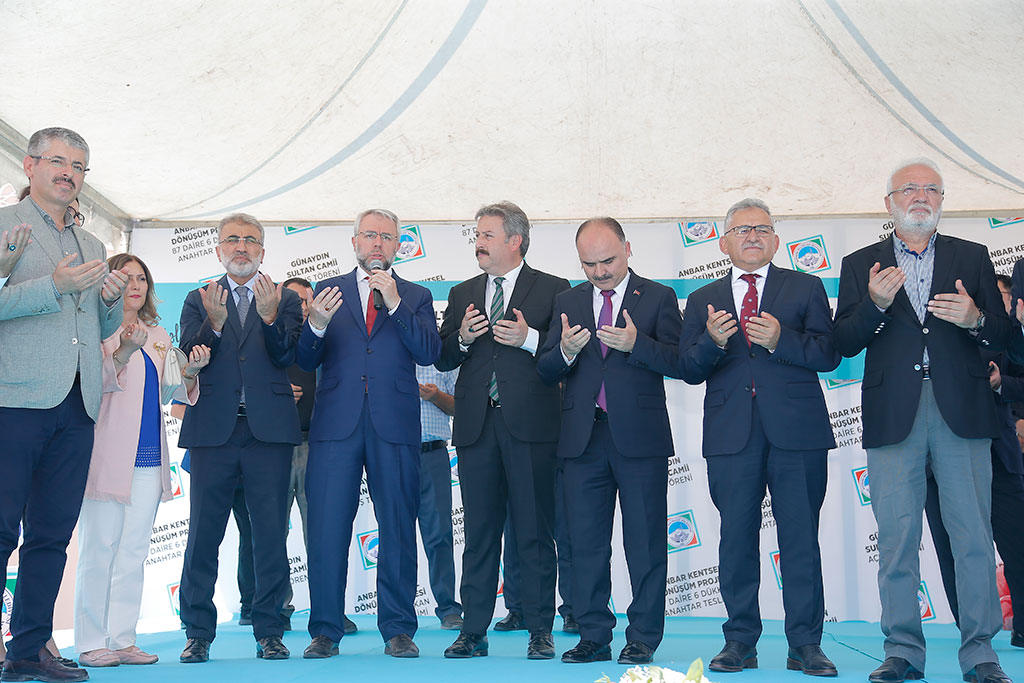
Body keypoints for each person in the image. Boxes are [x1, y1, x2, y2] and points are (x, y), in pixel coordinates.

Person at [834, 159, 1012, 683]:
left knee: (973, 536)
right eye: (909, 189)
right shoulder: (859, 263)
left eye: (931, 189)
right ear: (888, 203)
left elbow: (1008, 337)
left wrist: (977, 319)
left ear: (942, 200)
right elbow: (842, 342)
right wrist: (874, 304)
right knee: (896, 537)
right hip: (895, 413)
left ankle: (980, 653)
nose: (920, 196)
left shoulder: (972, 256)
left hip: (962, 410)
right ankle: (903, 652)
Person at [678, 199, 840, 676]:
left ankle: (805, 644)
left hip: (797, 433)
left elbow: (829, 354)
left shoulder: (806, 287)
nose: (752, 236)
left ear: (776, 240)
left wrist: (780, 340)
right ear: (723, 243)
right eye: (741, 229)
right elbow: (689, 368)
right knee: (735, 541)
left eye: (762, 229)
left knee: (800, 540)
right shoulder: (702, 298)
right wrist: (711, 341)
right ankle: (739, 642)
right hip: (732, 436)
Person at [0, 127, 129, 683]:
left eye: (79, 166)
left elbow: (96, 324)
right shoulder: (5, 225)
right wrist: (51, 285)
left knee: (51, 536)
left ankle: (29, 650)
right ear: (29, 166)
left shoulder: (93, 245)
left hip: (77, 405)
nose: (68, 173)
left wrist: (109, 300)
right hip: (15, 399)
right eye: (58, 161)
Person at [536, 217, 682, 664]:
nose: (599, 272)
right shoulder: (567, 300)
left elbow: (681, 362)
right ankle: (593, 635)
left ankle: (643, 638)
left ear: (628, 249)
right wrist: (565, 351)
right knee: (584, 545)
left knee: (645, 544)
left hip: (640, 441)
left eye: (608, 261)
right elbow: (545, 368)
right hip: (582, 441)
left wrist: (638, 344)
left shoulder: (658, 296)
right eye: (589, 264)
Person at [297, 209, 440, 659]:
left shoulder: (416, 295)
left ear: (398, 246)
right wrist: (316, 324)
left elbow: (429, 351)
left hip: (394, 424)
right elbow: (305, 358)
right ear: (355, 242)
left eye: (387, 237)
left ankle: (398, 629)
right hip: (335, 425)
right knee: (326, 528)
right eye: (370, 235)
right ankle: (325, 629)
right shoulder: (327, 290)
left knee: (397, 525)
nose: (378, 243)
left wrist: (395, 304)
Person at [437, 201, 570, 660]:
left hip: (532, 427)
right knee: (478, 536)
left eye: (487, 235)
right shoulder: (462, 292)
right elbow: (442, 357)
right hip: (477, 428)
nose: (478, 242)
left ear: (515, 240)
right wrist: (462, 338)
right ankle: (473, 631)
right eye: (477, 235)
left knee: (534, 533)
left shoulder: (554, 288)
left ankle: (539, 629)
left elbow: (567, 354)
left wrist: (530, 339)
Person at [176, 213, 303, 663]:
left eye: (250, 240)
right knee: (203, 535)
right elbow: (189, 354)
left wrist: (269, 318)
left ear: (263, 252)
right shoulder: (199, 298)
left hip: (268, 433)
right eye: (233, 239)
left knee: (269, 535)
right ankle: (198, 633)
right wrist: (212, 325)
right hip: (214, 432)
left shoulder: (285, 298)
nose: (241, 246)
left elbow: (288, 354)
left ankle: (270, 630)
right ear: (218, 250)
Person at [74, 254, 210, 667]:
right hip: (105, 454)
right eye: (126, 277)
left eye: (141, 279)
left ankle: (122, 639)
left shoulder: (157, 335)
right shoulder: (95, 331)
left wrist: (191, 372)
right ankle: (90, 642)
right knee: (99, 549)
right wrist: (121, 351)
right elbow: (90, 386)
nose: (135, 285)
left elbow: (169, 393)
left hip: (150, 458)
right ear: (109, 284)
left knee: (133, 551)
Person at [923, 273, 1024, 648]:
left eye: (1002, 296)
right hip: (937, 458)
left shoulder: (1009, 338)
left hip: (998, 455)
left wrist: (1001, 384)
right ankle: (971, 630)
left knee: (1017, 545)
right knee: (952, 549)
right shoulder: (939, 333)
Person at [415, 363, 464, 630]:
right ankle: (397, 613)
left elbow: (460, 406)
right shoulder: (384, 354)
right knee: (395, 537)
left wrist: (436, 397)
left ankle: (447, 607)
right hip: (392, 454)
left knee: (439, 535)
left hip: (432, 453)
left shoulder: (442, 360)